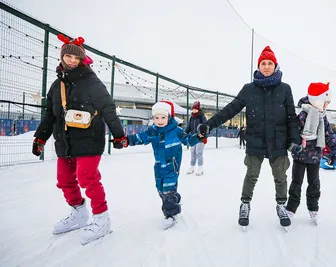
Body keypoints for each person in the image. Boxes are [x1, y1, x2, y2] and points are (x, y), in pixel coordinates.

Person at [32, 34, 126, 245]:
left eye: (76, 58)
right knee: (64, 180)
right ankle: (79, 213)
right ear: (62, 57)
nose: (72, 61)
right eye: (68, 56)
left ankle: (102, 218)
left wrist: (119, 134)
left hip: (90, 138)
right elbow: (49, 115)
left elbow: (108, 109)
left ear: (82, 59)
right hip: (64, 141)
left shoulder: (92, 82)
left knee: (87, 178)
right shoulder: (57, 85)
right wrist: (40, 139)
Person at [197, 46, 302, 228]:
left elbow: (291, 117)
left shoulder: (285, 89)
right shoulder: (249, 89)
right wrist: (209, 124)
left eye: (270, 63)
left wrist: (294, 139)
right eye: (263, 63)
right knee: (251, 175)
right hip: (255, 140)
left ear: (275, 66)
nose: (267, 66)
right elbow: (230, 110)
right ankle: (245, 204)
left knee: (280, 176)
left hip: (278, 141)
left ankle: (281, 205)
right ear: (258, 66)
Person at [125, 101, 204, 229]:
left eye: (163, 117)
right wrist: (126, 140)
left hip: (172, 165)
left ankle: (170, 214)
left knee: (168, 188)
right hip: (158, 166)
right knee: (160, 189)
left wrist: (200, 135)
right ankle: (175, 197)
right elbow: (140, 137)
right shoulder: (153, 131)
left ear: (169, 117)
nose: (160, 120)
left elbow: (188, 140)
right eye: (156, 117)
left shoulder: (176, 131)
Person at [285, 83, 336, 224]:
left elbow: (328, 134)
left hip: (315, 157)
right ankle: (291, 208)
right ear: (318, 100)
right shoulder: (303, 115)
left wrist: (334, 148)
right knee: (296, 183)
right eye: (326, 102)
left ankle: (313, 208)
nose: (326, 105)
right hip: (300, 156)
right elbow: (293, 133)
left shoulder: (322, 117)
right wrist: (294, 144)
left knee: (314, 183)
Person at [185, 101, 207, 176]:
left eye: (195, 109)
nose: (194, 110)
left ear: (198, 109)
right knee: (193, 153)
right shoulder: (192, 117)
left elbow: (206, 126)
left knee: (198, 153)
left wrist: (202, 133)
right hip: (193, 138)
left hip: (200, 137)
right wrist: (185, 133)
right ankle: (192, 167)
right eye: (193, 109)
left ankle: (200, 168)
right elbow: (189, 127)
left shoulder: (202, 116)